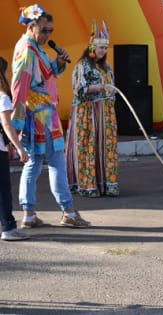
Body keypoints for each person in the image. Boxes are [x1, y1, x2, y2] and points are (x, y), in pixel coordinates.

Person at [11, 4, 90, 228]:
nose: (48, 35)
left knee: (34, 163)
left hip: (41, 112)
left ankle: (29, 214)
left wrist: (59, 63)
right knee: (55, 161)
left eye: (51, 31)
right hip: (41, 114)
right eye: (44, 30)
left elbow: (43, 76)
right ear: (31, 26)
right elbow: (20, 84)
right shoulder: (28, 49)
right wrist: (16, 119)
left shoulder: (33, 47)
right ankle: (68, 212)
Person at [66, 20, 119, 198]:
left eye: (105, 48)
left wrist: (108, 92)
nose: (103, 51)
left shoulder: (106, 67)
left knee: (105, 147)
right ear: (92, 47)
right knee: (88, 146)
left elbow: (112, 87)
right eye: (100, 47)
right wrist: (98, 88)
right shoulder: (83, 66)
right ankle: (88, 184)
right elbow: (78, 90)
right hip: (88, 114)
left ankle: (106, 184)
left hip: (105, 114)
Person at [0, 56, 30, 241]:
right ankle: (8, 228)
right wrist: (19, 148)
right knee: (3, 189)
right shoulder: (2, 97)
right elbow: (7, 125)